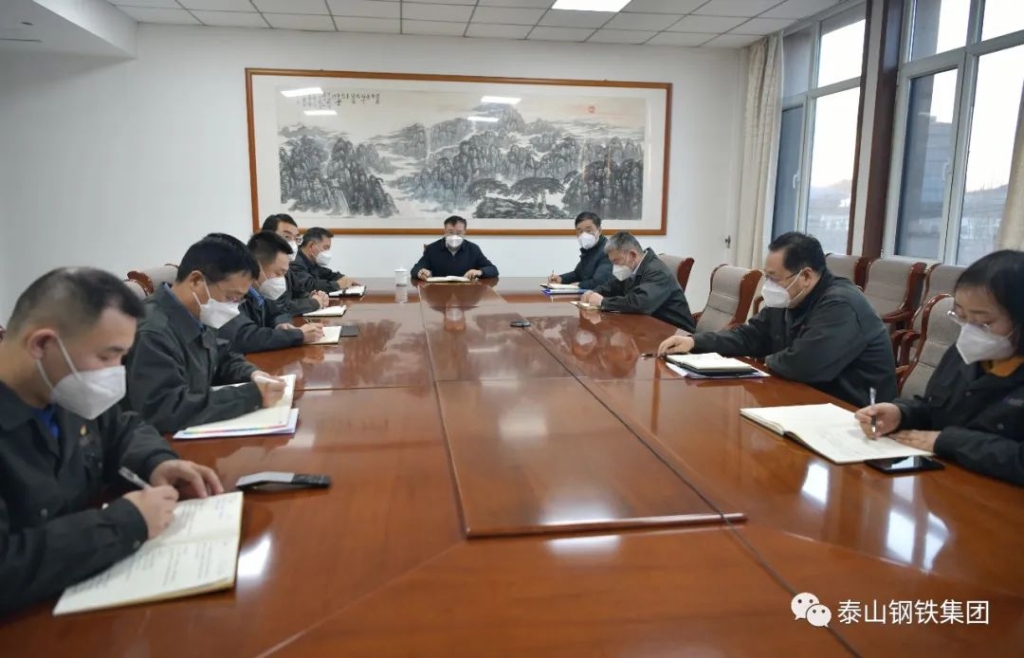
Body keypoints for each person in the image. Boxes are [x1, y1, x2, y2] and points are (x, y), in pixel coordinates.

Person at [0, 268, 224, 615]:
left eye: (122, 358)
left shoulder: (60, 386)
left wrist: (157, 462)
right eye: (107, 357)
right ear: (41, 344)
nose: (116, 373)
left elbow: (123, 428)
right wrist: (126, 524)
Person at [658, 232, 896, 408]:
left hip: (854, 415)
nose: (769, 286)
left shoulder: (841, 305)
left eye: (774, 278)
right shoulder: (790, 297)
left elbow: (802, 365)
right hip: (806, 402)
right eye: (767, 277)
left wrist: (763, 363)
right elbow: (750, 336)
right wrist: (695, 342)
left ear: (806, 276)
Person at [855, 250, 1024, 486]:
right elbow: (935, 408)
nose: (969, 331)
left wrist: (948, 441)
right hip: (944, 480)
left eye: (983, 322)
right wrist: (901, 414)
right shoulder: (964, 352)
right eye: (961, 316)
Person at [124, 234, 286, 434]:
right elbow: (165, 409)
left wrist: (252, 374)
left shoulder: (196, 312)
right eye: (231, 296)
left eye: (239, 299)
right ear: (196, 281)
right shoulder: (153, 331)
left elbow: (222, 356)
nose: (234, 307)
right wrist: (250, 395)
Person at [218, 231, 324, 353]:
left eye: (284, 274)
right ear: (256, 266)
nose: (281, 279)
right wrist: (298, 335)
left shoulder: (262, 290)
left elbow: (279, 311)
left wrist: (281, 324)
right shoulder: (231, 293)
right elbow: (245, 337)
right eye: (279, 273)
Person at [581, 232, 695, 332]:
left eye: (616, 261)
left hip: (677, 334)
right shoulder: (632, 268)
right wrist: (593, 292)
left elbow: (640, 303)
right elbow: (612, 286)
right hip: (650, 328)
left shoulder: (657, 271)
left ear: (633, 255)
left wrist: (603, 302)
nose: (615, 267)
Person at [261, 214, 328, 315]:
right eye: (287, 237)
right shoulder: (262, 269)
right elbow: (279, 307)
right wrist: (315, 302)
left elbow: (300, 294)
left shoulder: (287, 268)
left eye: (296, 238)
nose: (293, 244)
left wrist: (315, 296)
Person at [412, 216, 499, 281]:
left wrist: (479, 272)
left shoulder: (473, 249)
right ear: (444, 232)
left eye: (459, 233)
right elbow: (415, 269)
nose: (454, 236)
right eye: (450, 232)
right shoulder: (432, 248)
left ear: (464, 232)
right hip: (439, 292)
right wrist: (420, 272)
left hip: (466, 293)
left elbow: (493, 270)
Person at [548, 211, 613, 290]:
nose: (584, 235)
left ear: (599, 231)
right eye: (580, 231)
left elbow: (600, 282)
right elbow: (578, 274)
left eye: (588, 230)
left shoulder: (608, 250)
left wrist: (580, 285)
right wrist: (561, 278)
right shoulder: (589, 249)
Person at [292, 227, 357, 293]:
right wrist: (338, 284)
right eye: (325, 248)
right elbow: (309, 286)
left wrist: (343, 278)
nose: (327, 252)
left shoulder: (312, 262)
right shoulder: (295, 262)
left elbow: (328, 274)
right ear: (311, 246)